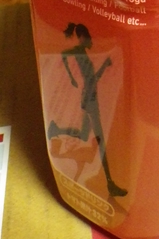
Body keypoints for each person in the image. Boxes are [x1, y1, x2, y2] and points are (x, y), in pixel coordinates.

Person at [47, 22, 127, 198]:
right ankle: (110, 183)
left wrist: (103, 67)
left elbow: (92, 78)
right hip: (90, 100)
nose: (91, 41)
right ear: (82, 38)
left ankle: (56, 130)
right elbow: (65, 55)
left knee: (84, 135)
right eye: (89, 38)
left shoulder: (82, 53)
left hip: (90, 97)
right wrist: (71, 78)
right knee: (100, 141)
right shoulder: (79, 52)